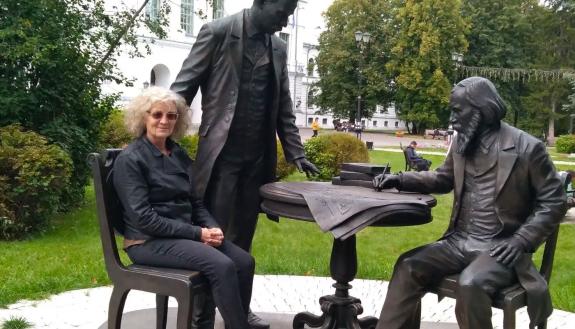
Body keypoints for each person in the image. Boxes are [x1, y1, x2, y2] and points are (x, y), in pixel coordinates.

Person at [373, 77, 567, 329]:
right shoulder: (462, 142)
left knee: (471, 283)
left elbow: (554, 201)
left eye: (457, 110)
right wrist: (400, 179)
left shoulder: (527, 148)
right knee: (408, 265)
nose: (452, 118)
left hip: (499, 248)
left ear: (482, 109)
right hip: (458, 241)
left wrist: (521, 240)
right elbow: (443, 179)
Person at [170, 1, 319, 327]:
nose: (286, 20)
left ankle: (239, 308)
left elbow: (283, 108)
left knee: (244, 239)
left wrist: (297, 153)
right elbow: (183, 87)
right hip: (222, 159)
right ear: (262, 3)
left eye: (290, 13)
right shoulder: (218, 32)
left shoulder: (277, 48)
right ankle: (202, 313)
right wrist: (158, 136)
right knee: (215, 240)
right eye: (282, 12)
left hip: (257, 162)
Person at [112, 87, 255, 329]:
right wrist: (198, 234)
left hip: (181, 236)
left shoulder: (176, 152)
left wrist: (211, 226)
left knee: (244, 261)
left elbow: (194, 202)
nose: (164, 121)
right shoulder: (131, 159)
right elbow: (144, 218)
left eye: (171, 115)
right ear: (143, 117)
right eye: (157, 115)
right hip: (147, 242)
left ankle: (227, 323)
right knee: (221, 265)